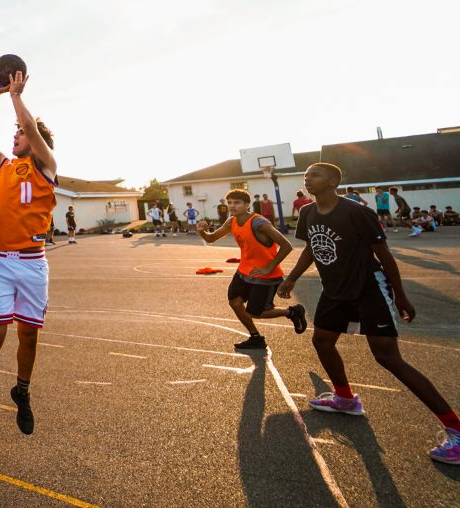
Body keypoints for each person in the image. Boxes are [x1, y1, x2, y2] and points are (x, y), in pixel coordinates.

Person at [277, 163, 459, 465]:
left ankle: (455, 427)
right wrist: (292, 278)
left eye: (315, 175)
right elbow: (311, 248)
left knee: (387, 357)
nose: (308, 179)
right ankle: (345, 398)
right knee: (322, 341)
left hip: (368, 288)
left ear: (334, 180)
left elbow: (384, 255)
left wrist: (400, 295)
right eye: (305, 176)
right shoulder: (307, 213)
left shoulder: (356, 212)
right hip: (334, 290)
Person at [0, 69, 57, 447]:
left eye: (20, 132)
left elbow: (31, 129)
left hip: (33, 262)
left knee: (29, 336)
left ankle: (22, 390)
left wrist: (17, 96)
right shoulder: (2, 165)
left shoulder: (46, 165)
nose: (16, 134)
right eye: (17, 132)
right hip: (0, 262)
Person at [196, 189, 302, 350]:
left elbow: (287, 246)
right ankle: (256, 337)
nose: (232, 206)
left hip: (265, 275)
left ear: (246, 205)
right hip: (243, 272)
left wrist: (268, 267)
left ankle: (291, 312)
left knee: (255, 312)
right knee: (235, 302)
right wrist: (201, 231)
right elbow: (211, 238)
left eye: (237, 203)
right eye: (229, 202)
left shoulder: (259, 223)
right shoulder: (231, 221)